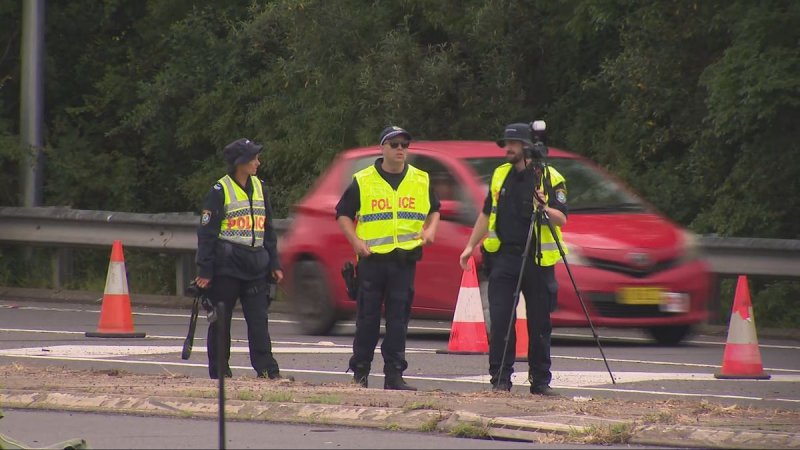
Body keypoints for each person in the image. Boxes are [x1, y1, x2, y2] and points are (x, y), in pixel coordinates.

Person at [458, 123, 568, 396]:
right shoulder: (499, 175)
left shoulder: (549, 177)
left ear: (528, 146)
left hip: (538, 259)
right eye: (507, 143)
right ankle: (500, 379)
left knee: (540, 323)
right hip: (504, 258)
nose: (508, 148)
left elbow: (562, 218)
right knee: (501, 320)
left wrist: (543, 207)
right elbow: (487, 213)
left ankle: (540, 381)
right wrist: (470, 245)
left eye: (513, 143)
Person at [335, 125, 441, 390]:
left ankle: (394, 375)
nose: (400, 149)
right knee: (367, 320)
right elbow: (343, 213)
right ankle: (360, 374)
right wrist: (356, 242)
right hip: (372, 261)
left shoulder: (420, 179)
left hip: (404, 261)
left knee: (398, 321)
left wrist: (430, 230)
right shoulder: (364, 179)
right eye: (394, 145)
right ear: (382, 148)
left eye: (404, 145)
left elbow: (435, 209)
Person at [195, 138, 291, 381]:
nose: (258, 162)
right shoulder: (219, 191)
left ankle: (268, 370)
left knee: (259, 322)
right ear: (240, 163)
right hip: (226, 268)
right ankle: (220, 372)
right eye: (254, 158)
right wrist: (205, 270)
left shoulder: (260, 187)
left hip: (256, 266)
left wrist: (275, 263)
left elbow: (267, 229)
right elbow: (207, 234)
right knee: (221, 323)